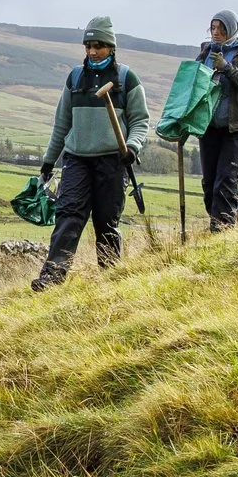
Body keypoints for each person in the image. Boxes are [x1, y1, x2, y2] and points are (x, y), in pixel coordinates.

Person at [32, 17, 151, 291]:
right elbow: (62, 123)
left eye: (98, 46)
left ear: (111, 47)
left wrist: (132, 147)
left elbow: (140, 121)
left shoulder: (125, 79)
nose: (93, 52)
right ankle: (51, 278)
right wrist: (49, 162)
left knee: (106, 222)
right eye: (88, 46)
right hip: (77, 159)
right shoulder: (75, 78)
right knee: (68, 216)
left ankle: (110, 280)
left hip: (113, 160)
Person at [196, 11, 238, 231]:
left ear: (231, 29)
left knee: (226, 181)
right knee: (209, 184)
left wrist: (228, 69)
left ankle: (222, 233)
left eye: (221, 28)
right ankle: (222, 224)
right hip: (210, 128)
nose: (216, 33)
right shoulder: (205, 52)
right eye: (213, 28)